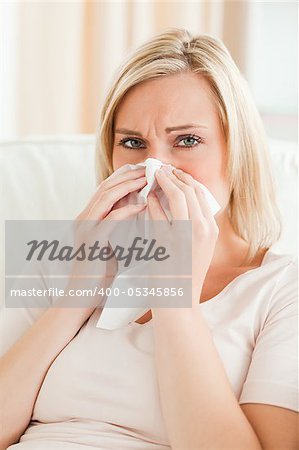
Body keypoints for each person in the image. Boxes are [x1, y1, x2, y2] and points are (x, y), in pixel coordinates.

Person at [0, 27, 297, 450]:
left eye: (187, 140)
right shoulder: (62, 259)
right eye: (133, 143)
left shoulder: (281, 293)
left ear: (238, 152)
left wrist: (175, 298)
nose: (155, 167)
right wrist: (76, 298)